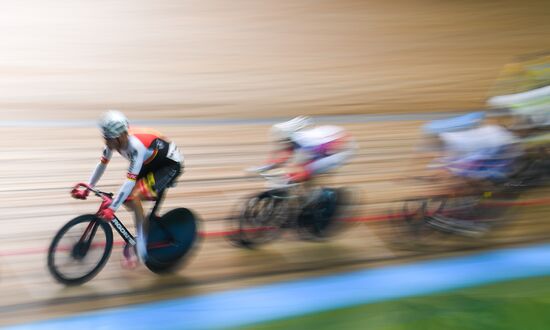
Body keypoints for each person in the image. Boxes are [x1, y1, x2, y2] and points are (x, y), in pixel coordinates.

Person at [71, 110, 184, 268]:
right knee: (129, 199)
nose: (107, 143)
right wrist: (89, 188)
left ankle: (142, 249)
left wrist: (113, 208)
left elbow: (129, 182)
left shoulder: (136, 146)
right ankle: (144, 224)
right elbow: (102, 164)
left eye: (109, 139)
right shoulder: (114, 141)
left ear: (120, 136)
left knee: (134, 196)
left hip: (168, 166)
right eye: (105, 138)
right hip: (150, 163)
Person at [252, 116, 355, 188]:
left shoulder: (305, 143)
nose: (280, 143)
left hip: (341, 150)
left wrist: (288, 177)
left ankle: (315, 199)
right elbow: (281, 157)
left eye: (281, 140)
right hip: (327, 142)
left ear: (288, 138)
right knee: (297, 174)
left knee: (305, 171)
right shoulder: (291, 140)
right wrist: (263, 167)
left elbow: (304, 164)